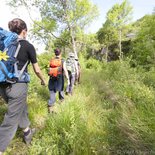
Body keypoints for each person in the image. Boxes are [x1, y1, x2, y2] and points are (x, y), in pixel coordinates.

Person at [0, 18, 46, 154]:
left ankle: (27, 133)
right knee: (10, 121)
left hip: (3, 85)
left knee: (20, 109)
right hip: (18, 86)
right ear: (24, 31)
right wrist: (43, 80)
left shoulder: (5, 45)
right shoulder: (28, 46)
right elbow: (37, 70)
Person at [48, 48, 69, 113]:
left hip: (52, 78)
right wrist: (68, 78)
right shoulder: (62, 60)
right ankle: (61, 102)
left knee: (52, 91)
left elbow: (49, 69)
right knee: (61, 89)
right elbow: (65, 70)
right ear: (60, 53)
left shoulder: (52, 60)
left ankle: (50, 105)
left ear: (55, 53)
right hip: (60, 78)